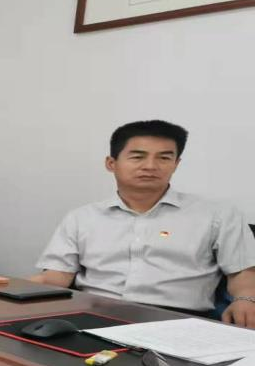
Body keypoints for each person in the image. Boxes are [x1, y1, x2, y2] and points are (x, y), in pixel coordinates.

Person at [32, 119, 255, 327]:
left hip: (178, 321)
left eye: (164, 158)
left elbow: (242, 272)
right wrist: (13, 286)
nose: (150, 166)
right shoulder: (82, 217)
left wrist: (246, 299)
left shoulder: (218, 215)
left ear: (176, 164)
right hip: (93, 316)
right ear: (111, 163)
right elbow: (57, 275)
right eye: (138, 157)